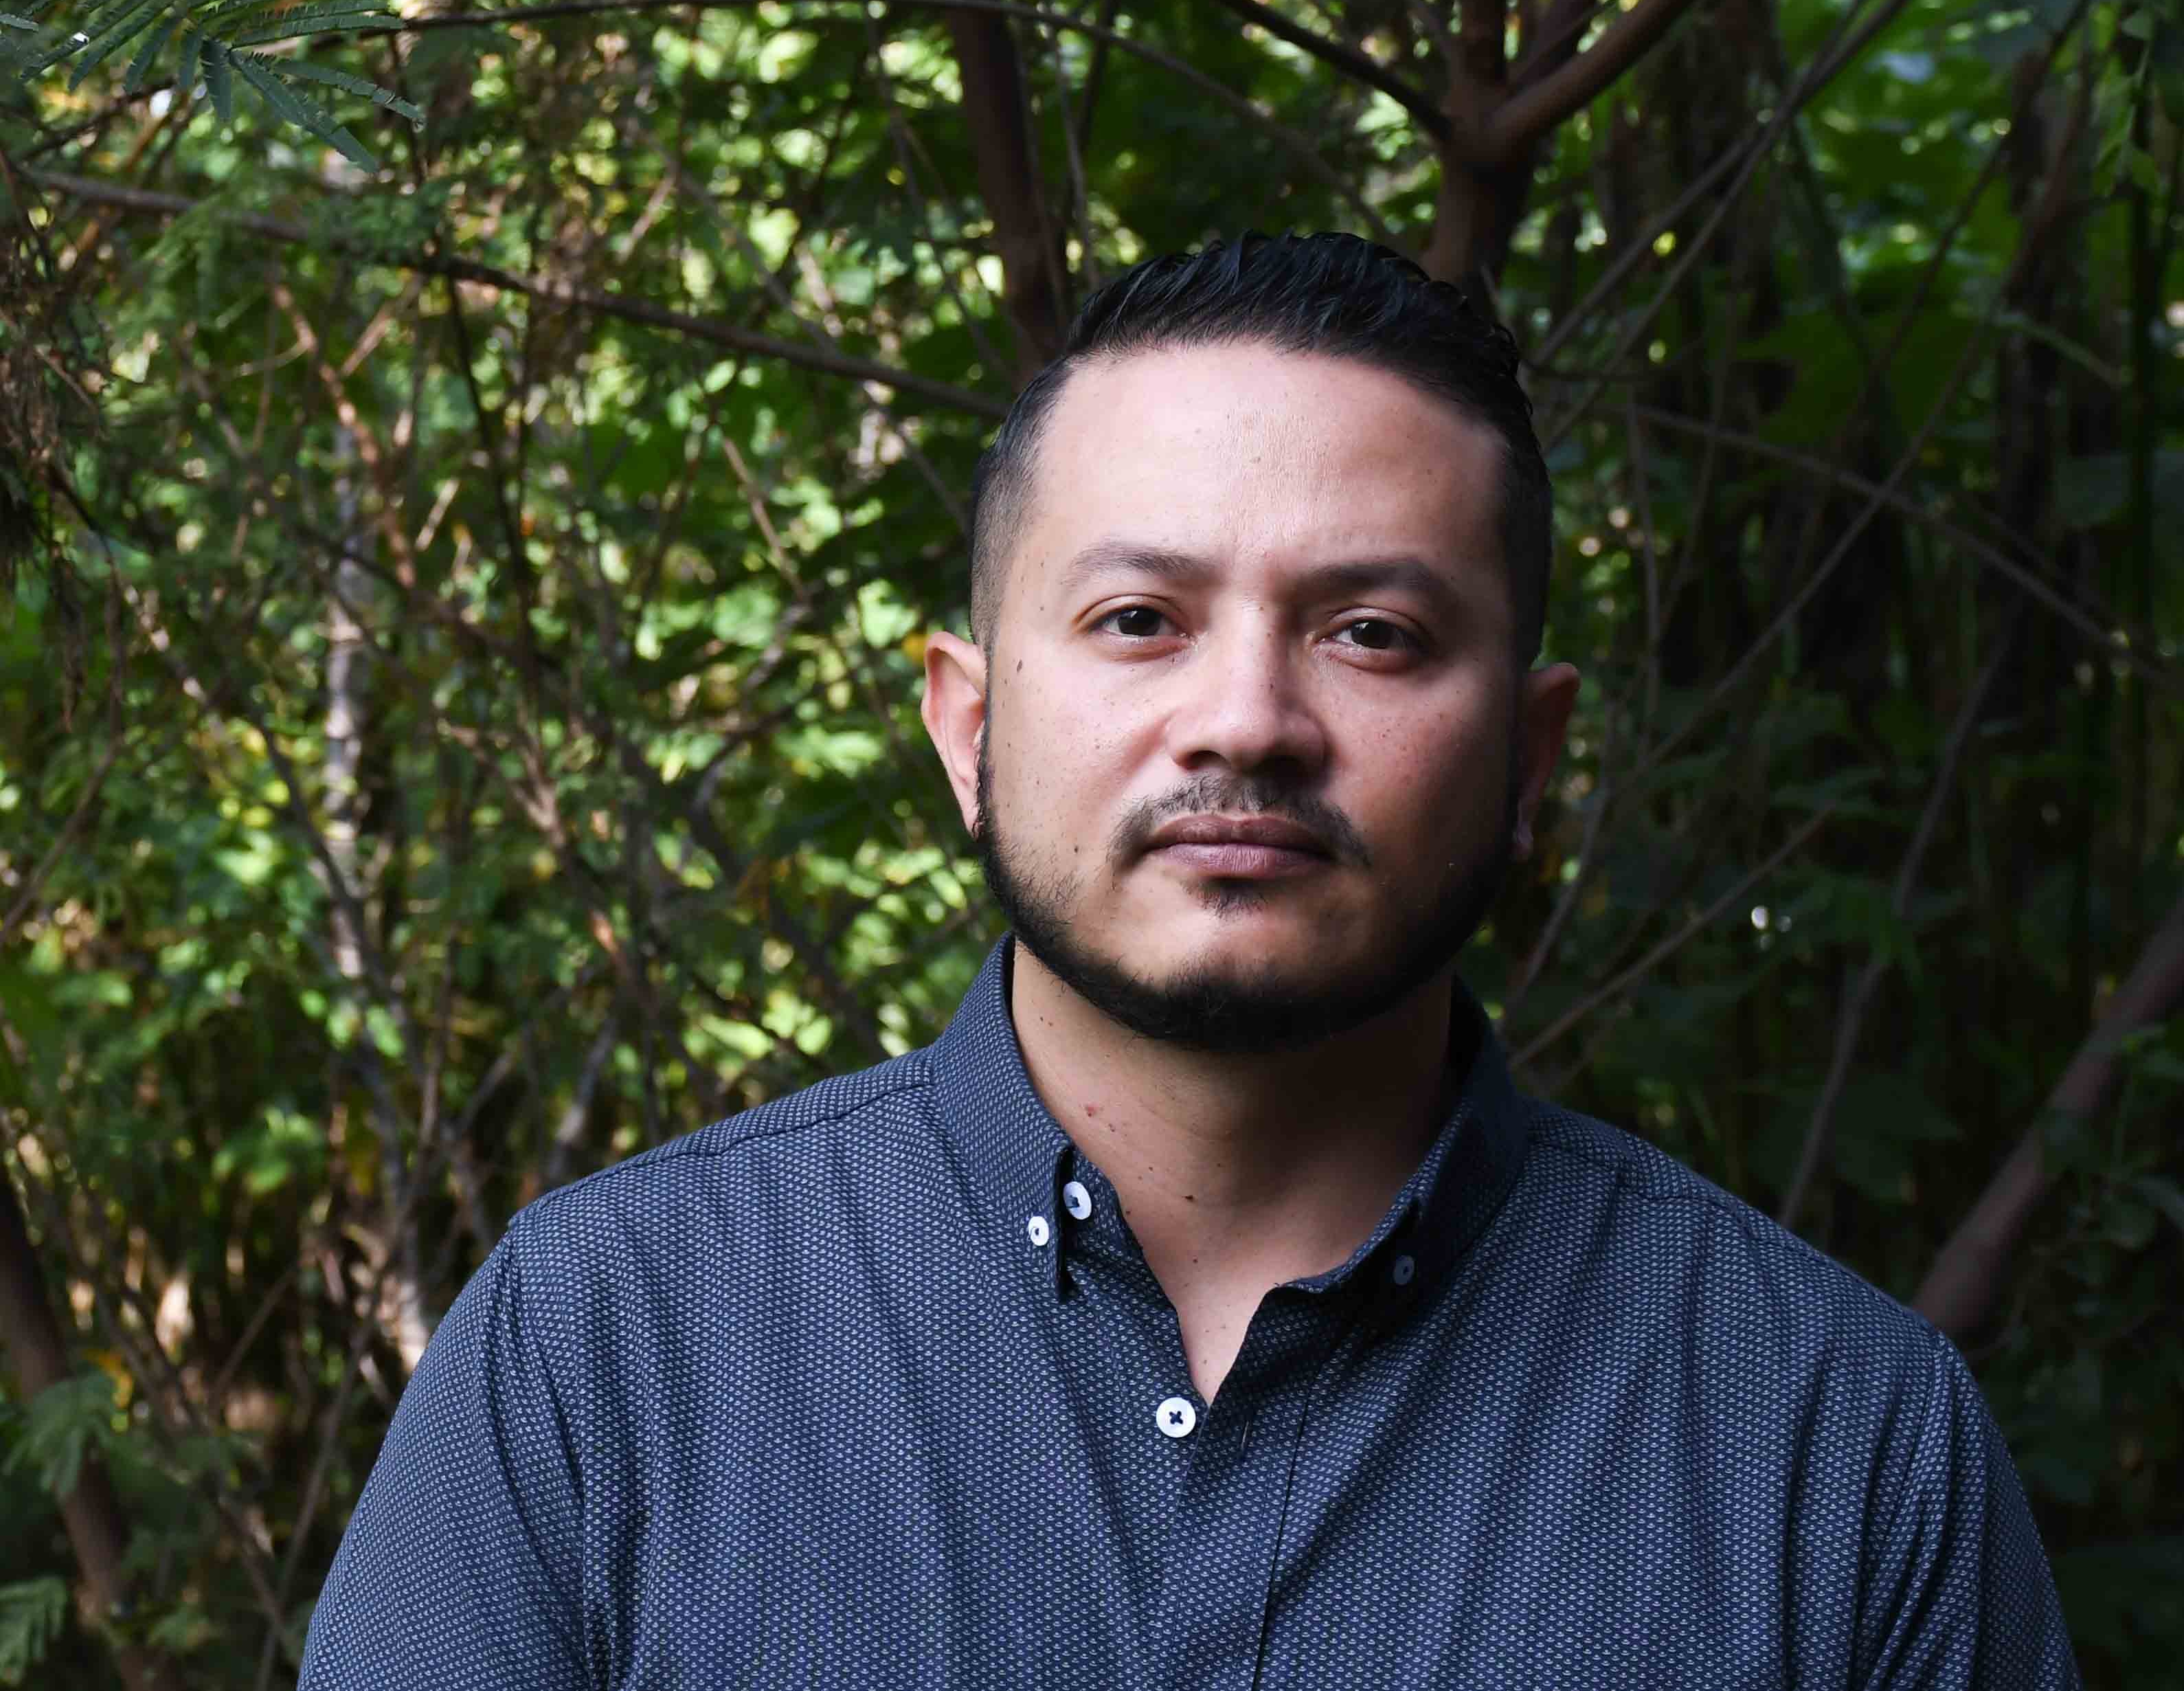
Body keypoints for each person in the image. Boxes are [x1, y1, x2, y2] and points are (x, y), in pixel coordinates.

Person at [297, 232, 2081, 1688]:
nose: (1246, 718)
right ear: (968, 725)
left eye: (1372, 632)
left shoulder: (1837, 1440)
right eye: (1139, 618)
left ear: (1531, 756)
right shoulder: (595, 1351)